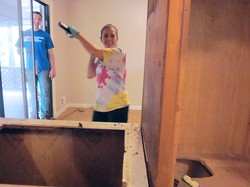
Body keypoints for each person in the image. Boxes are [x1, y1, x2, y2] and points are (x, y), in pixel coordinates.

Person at [66, 24, 130, 122]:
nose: (109, 38)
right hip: (100, 105)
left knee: (114, 137)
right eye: (105, 35)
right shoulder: (102, 58)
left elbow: (94, 50)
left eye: (112, 35)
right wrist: (93, 55)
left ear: (117, 39)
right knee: (97, 135)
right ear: (101, 39)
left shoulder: (119, 53)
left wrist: (77, 35)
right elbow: (90, 74)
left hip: (117, 105)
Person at [16, 11, 56, 119]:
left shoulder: (45, 35)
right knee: (32, 93)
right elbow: (18, 49)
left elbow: (51, 53)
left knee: (44, 93)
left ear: (41, 21)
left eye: (39, 19)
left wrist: (53, 69)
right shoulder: (24, 34)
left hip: (43, 68)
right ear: (31, 19)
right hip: (29, 68)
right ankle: (33, 117)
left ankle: (44, 116)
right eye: (34, 18)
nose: (36, 20)